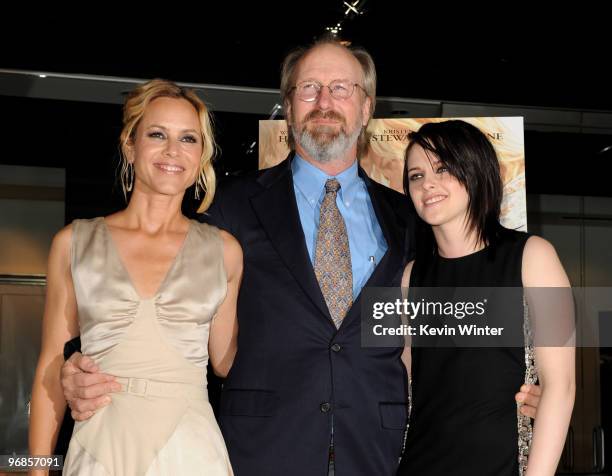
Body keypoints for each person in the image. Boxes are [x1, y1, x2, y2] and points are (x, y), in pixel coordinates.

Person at [58, 40, 542, 476]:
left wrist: (522, 379)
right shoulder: (227, 208)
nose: (324, 101)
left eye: (341, 88)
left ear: (367, 106)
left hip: (381, 452)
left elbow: (459, 312)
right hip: (259, 451)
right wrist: (76, 361)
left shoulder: (412, 217)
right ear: (288, 107)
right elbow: (151, 292)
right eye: (308, 88)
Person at [28, 79, 242, 475]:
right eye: (157, 134)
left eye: (188, 139)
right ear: (130, 144)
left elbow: (227, 361)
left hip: (191, 451)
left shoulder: (224, 251)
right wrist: (35, 470)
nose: (172, 151)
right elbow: (50, 365)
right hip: (99, 446)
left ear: (201, 156)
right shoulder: (74, 242)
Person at [398, 120, 575, 475]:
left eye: (443, 168)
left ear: (475, 171)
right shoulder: (409, 277)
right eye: (416, 176)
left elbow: (562, 384)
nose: (427, 183)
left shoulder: (533, 256)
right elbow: (404, 389)